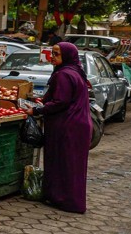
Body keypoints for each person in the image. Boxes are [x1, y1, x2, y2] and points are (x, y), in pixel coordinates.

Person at [33, 43, 91, 214]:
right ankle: (66, 199)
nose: (52, 56)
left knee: (64, 164)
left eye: (56, 54)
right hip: (77, 125)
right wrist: (43, 102)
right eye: (52, 52)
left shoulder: (64, 74)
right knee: (71, 165)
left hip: (69, 126)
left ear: (66, 55)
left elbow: (61, 102)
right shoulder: (74, 71)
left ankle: (64, 200)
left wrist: (37, 109)